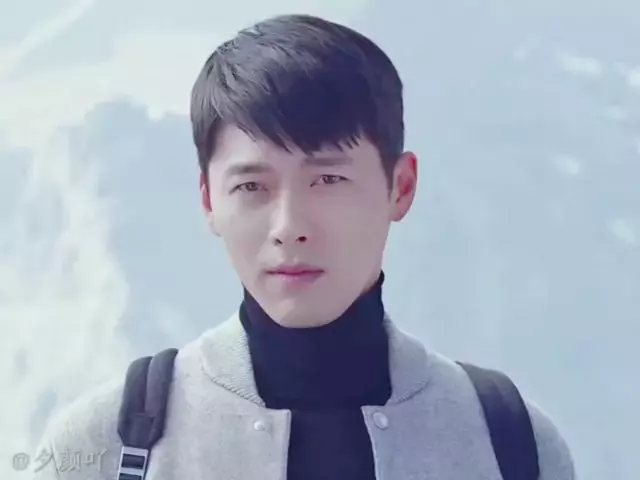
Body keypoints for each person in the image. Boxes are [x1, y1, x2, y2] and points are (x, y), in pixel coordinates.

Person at [31, 13, 575, 480]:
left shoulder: (509, 443)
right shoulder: (104, 445)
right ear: (208, 199)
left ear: (401, 186)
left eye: (328, 180)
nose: (288, 226)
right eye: (252, 186)